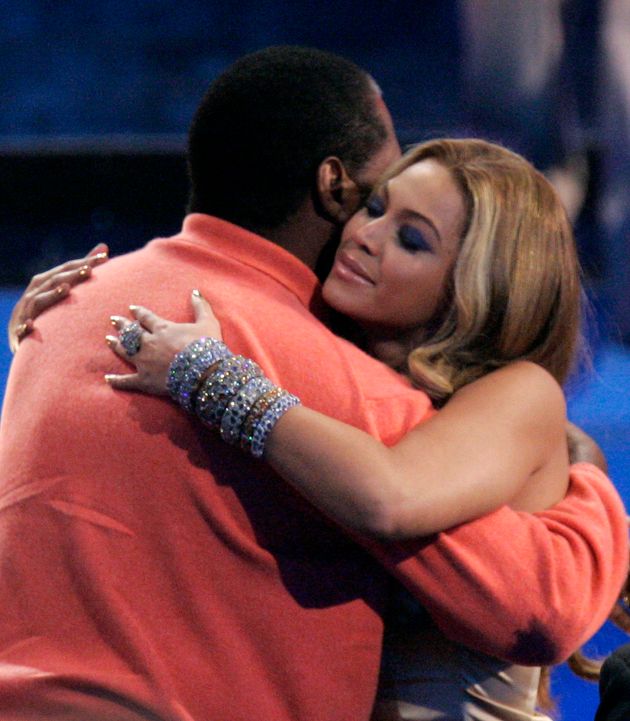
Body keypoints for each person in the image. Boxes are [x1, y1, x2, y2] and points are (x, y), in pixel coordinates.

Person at [0, 47, 626, 721]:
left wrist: (586, 484)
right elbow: (539, 601)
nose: (366, 233)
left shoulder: (79, 307)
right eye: (376, 202)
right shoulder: (331, 376)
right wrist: (590, 493)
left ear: (475, 285)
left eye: (412, 239)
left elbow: (519, 596)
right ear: (335, 187)